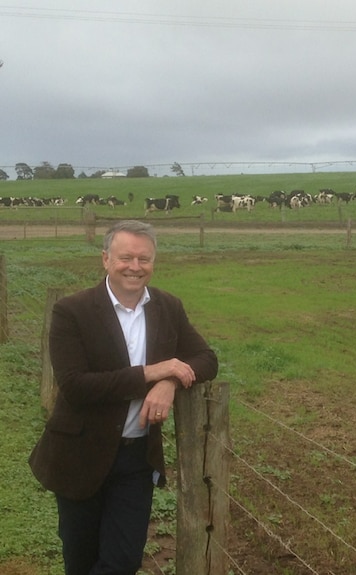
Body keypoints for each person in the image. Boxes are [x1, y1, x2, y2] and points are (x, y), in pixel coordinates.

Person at [29, 219, 219, 575]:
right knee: (81, 558)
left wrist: (171, 383)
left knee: (122, 561)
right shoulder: (73, 311)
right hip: (79, 453)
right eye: (126, 257)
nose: (135, 267)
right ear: (105, 259)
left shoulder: (167, 307)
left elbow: (207, 359)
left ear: (153, 262)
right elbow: (75, 386)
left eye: (144, 259)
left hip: (135, 459)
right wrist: (153, 372)